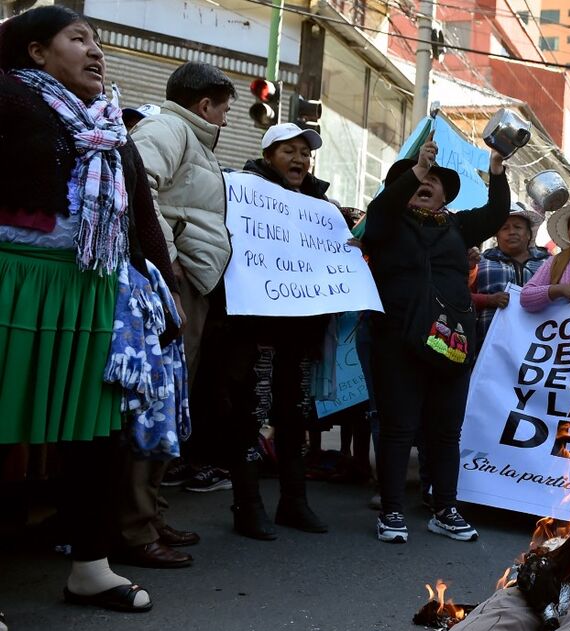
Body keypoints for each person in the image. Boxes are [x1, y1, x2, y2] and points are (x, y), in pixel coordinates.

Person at [0, 5, 179, 613]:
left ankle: (91, 567)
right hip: (18, 283)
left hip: (95, 288)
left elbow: (139, 216)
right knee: (5, 425)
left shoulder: (108, 121)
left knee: (92, 432)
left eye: (98, 41)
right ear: (35, 52)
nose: (97, 52)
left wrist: (164, 283)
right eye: (79, 39)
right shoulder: (9, 99)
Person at [358, 133, 510, 543]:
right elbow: (381, 207)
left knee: (446, 430)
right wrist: (417, 168)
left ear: (446, 195)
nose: (424, 182)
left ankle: (445, 507)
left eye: (434, 180)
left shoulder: (459, 226)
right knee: (398, 427)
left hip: (451, 340)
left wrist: (497, 171)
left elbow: (497, 212)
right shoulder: (388, 222)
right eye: (415, 178)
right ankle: (391, 510)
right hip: (397, 338)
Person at [201, 122, 332, 540]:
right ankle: (248, 505)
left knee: (294, 414)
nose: (299, 160)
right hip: (252, 329)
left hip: (298, 330)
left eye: (305, 153)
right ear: (269, 155)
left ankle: (294, 501)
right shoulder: (243, 192)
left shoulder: (317, 201)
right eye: (289, 151)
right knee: (250, 414)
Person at [131, 60, 236, 493]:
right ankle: (136, 520)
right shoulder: (168, 130)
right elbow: (137, 187)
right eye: (225, 109)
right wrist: (167, 261)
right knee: (158, 399)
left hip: (188, 281)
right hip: (175, 283)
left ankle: (149, 513)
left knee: (174, 396)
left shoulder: (192, 140)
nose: (227, 119)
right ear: (205, 104)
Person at [471, 202, 549, 342]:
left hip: (538, 346)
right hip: (489, 347)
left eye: (518, 227)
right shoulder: (480, 263)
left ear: (528, 234)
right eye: (504, 228)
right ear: (497, 235)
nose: (511, 232)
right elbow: (461, 297)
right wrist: (488, 300)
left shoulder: (549, 263)